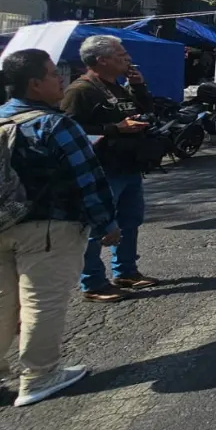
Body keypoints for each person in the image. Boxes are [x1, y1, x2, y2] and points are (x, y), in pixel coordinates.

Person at [0, 49, 119, 407]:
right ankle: (39, 376)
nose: (61, 80)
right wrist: (106, 223)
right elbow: (88, 178)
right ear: (35, 84)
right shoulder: (55, 124)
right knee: (42, 302)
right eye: (53, 74)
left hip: (4, 223)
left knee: (3, 302)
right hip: (50, 227)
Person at [61, 35, 155, 303]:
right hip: (101, 170)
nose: (127, 59)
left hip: (129, 166)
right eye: (121, 55)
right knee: (97, 229)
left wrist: (138, 87)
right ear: (101, 60)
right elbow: (71, 131)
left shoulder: (119, 86)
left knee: (130, 222)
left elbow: (146, 112)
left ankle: (126, 272)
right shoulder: (80, 91)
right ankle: (93, 283)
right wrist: (115, 129)